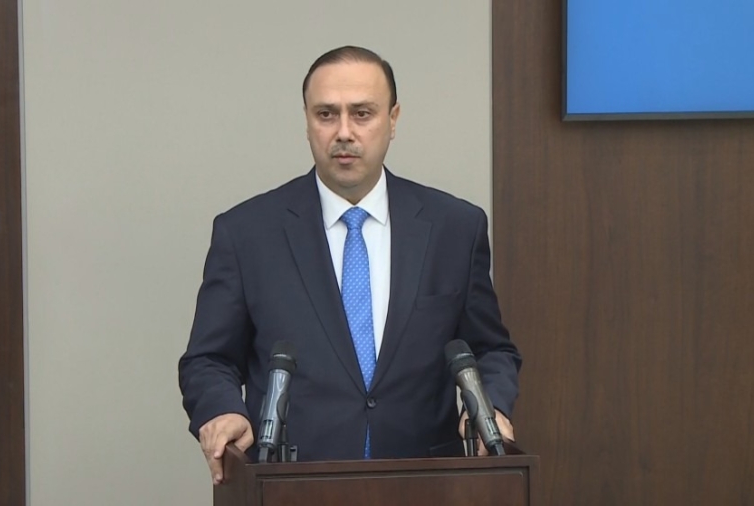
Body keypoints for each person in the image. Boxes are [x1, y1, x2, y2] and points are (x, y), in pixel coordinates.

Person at [178, 45, 522, 485]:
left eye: (362, 114)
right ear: (307, 122)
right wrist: (222, 410)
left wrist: (489, 407)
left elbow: (491, 350)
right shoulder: (246, 233)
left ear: (393, 120)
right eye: (326, 114)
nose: (344, 132)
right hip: (291, 483)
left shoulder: (455, 228)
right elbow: (208, 359)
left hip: (426, 482)